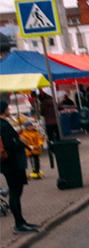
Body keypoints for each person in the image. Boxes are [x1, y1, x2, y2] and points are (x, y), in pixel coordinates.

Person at [0, 100, 38, 233]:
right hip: (13, 163)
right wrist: (22, 143)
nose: (9, 110)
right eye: (7, 108)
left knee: (15, 192)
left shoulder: (3, 124)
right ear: (3, 109)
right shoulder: (3, 125)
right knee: (15, 193)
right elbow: (10, 145)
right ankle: (19, 224)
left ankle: (21, 221)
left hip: (7, 164)